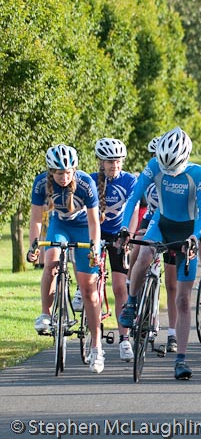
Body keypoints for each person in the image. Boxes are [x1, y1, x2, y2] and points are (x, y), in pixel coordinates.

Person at [117, 127, 201, 380]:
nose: (167, 172)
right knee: (144, 254)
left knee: (181, 299)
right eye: (164, 166)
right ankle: (132, 302)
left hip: (187, 233)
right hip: (162, 224)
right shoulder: (153, 165)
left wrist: (195, 237)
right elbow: (134, 197)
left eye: (173, 168)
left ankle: (180, 359)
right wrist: (126, 226)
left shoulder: (197, 173)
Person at [28, 145, 104, 372]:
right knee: (50, 262)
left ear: (75, 170)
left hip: (83, 228)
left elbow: (93, 223)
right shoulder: (41, 183)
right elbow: (36, 220)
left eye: (68, 172)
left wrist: (95, 249)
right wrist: (34, 246)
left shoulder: (85, 184)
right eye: (59, 173)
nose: (64, 177)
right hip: (60, 225)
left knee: (89, 291)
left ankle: (96, 347)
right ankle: (46, 314)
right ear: (51, 172)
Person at [90, 138, 139, 362]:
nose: (114, 166)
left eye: (118, 161)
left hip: (120, 234)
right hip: (97, 234)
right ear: (101, 162)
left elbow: (133, 209)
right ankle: (94, 339)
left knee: (120, 287)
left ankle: (124, 339)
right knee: (92, 285)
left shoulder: (130, 180)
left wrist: (127, 234)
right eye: (110, 162)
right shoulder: (91, 180)